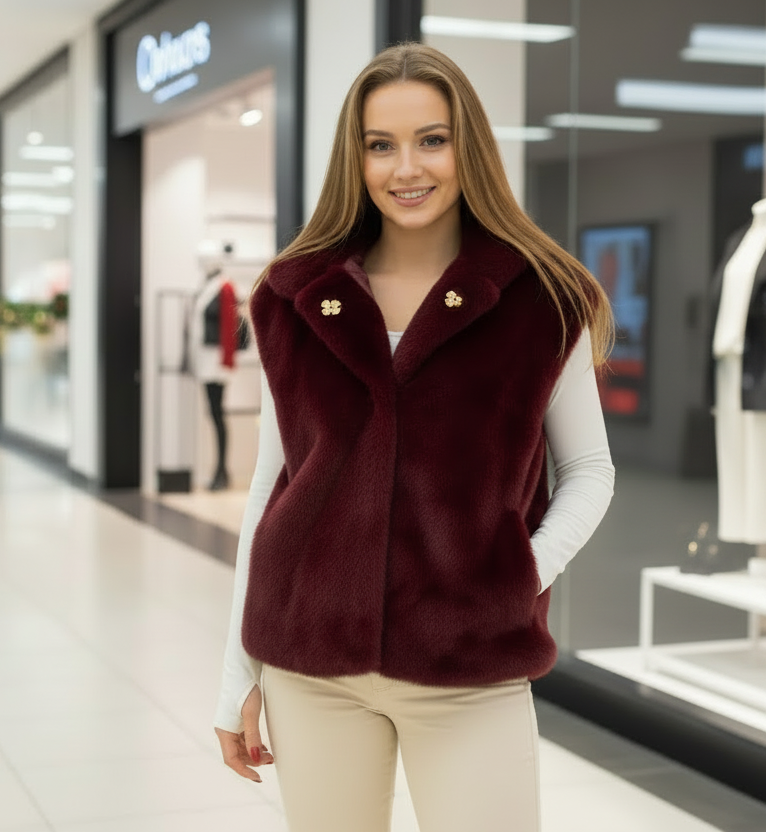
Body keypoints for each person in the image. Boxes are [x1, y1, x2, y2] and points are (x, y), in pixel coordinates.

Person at [214, 42, 614, 832]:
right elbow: (273, 486)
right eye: (380, 145)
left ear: (468, 147)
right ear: (354, 158)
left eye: (432, 139)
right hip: (310, 662)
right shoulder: (292, 297)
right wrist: (238, 673)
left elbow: (590, 473)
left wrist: (511, 579)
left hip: (472, 669)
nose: (408, 168)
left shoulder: (544, 299)